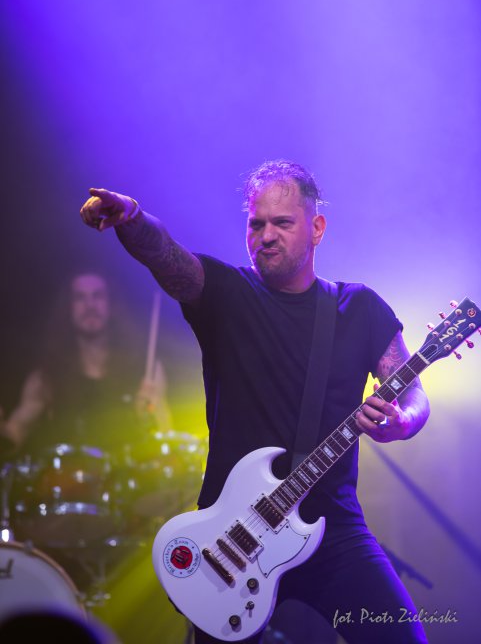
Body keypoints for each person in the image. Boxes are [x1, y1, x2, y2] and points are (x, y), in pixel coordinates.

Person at [79, 160, 430, 644]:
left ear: (317, 228)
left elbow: (411, 391)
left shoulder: (359, 307)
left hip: (333, 531)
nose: (265, 236)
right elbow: (167, 256)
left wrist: (401, 421)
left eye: (281, 223)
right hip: (231, 539)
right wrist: (132, 218)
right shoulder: (226, 293)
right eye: (255, 224)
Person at [0, 270, 172, 459]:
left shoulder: (145, 369)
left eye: (98, 296)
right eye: (80, 298)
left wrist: (149, 414)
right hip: (71, 476)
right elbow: (14, 435)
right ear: (69, 308)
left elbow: (167, 437)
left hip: (132, 475)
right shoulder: (46, 377)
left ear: (111, 305)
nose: (90, 305)